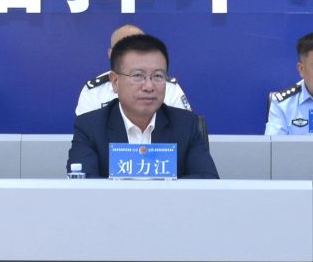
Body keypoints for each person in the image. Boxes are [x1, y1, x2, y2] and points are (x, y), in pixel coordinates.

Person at [66, 32, 219, 178]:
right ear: (115, 82)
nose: (149, 86)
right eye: (138, 76)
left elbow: (206, 180)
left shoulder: (186, 124)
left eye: (158, 76)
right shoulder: (90, 126)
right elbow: (83, 184)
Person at [76, 23, 193, 115]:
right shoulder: (94, 92)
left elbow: (184, 128)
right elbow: (87, 132)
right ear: (111, 54)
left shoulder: (169, 87)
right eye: (124, 50)